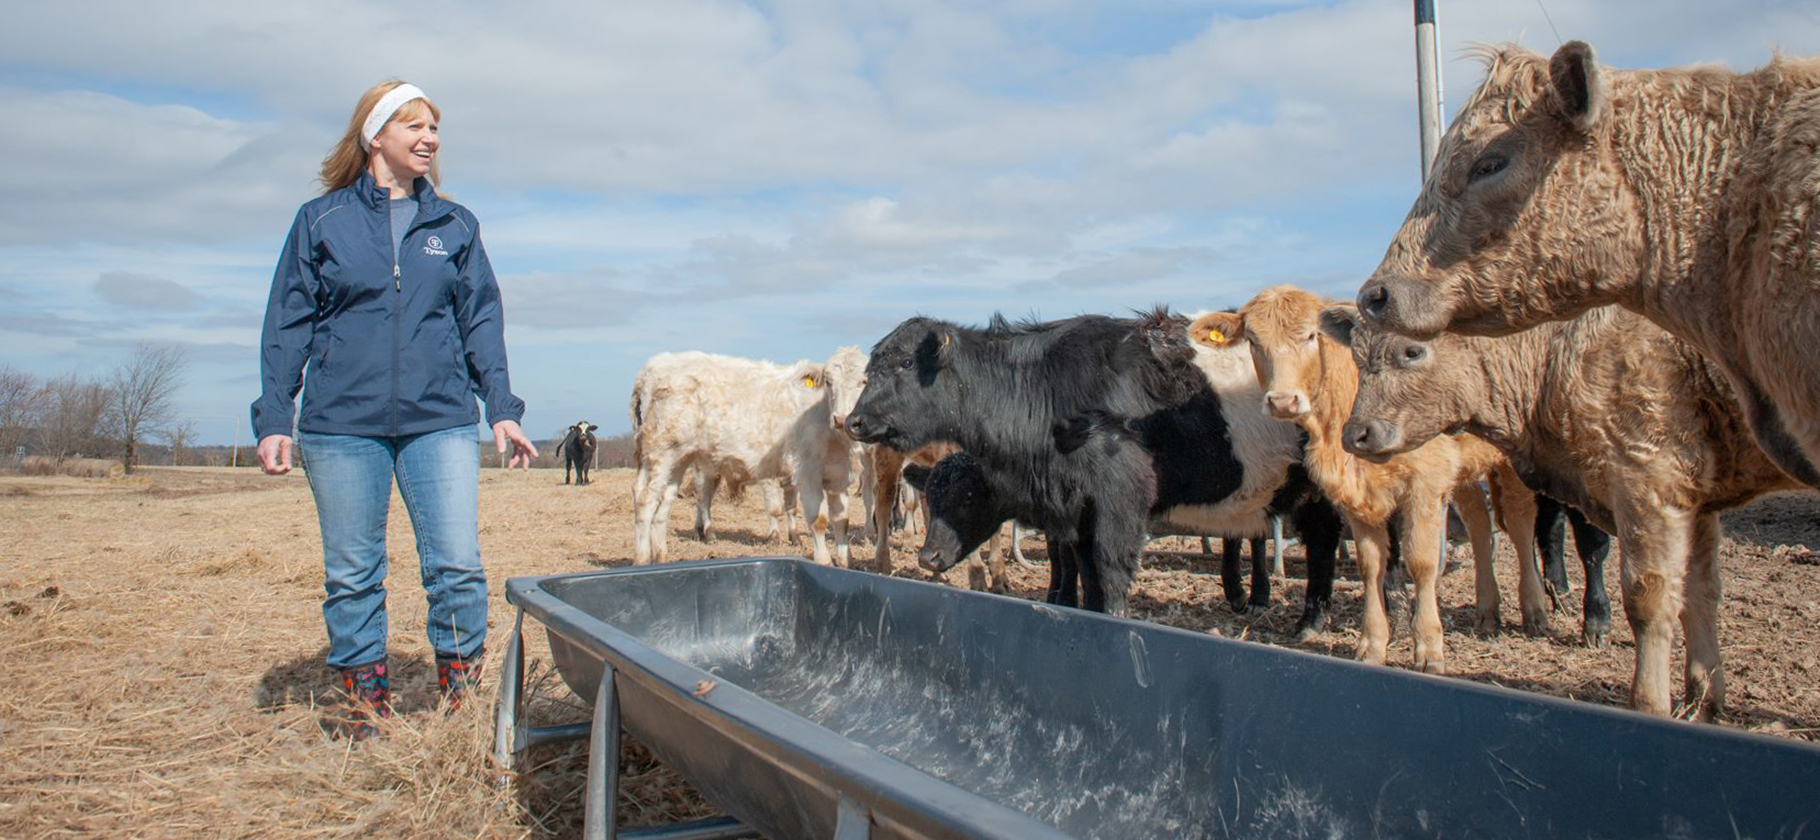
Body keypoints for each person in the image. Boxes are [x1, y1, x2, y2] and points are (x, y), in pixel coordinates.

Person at [251, 80, 537, 737]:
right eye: (413, 126)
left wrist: (501, 406)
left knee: (458, 565)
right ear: (374, 135)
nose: (429, 138)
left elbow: (481, 323)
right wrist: (274, 416)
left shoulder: (455, 225)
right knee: (353, 575)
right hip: (340, 424)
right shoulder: (320, 222)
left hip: (438, 418)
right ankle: (362, 711)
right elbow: (287, 325)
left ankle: (465, 706)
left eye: (434, 127)